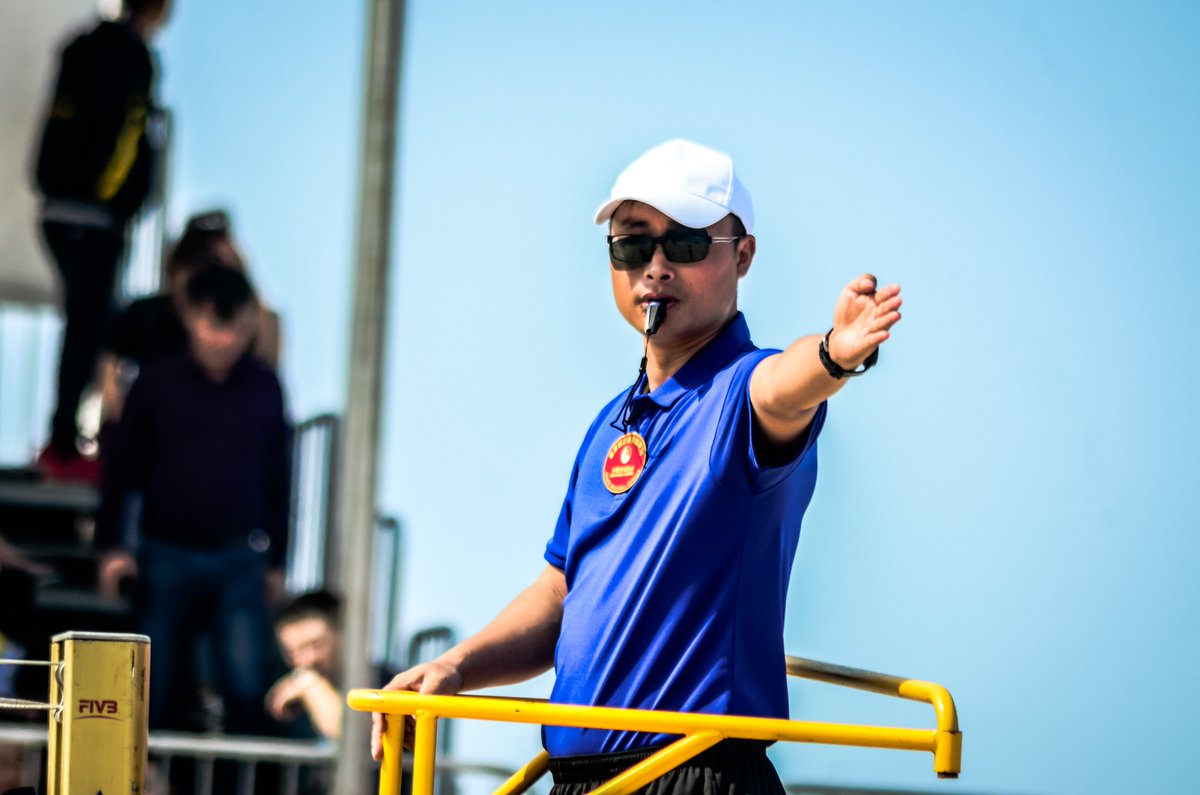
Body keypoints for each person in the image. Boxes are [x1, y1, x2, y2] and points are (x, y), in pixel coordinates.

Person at [371, 139, 903, 794]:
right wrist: (455, 665)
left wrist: (834, 354)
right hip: (578, 778)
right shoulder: (609, 424)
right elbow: (560, 591)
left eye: (682, 243)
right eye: (632, 245)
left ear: (742, 254)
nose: (654, 266)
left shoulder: (742, 391)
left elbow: (785, 386)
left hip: (692, 774)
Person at [93, 265, 292, 735]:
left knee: (245, 682)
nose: (223, 339)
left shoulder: (266, 387)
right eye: (212, 325)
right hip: (165, 551)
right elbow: (119, 473)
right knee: (153, 685)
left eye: (234, 327)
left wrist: (279, 559)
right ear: (189, 317)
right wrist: (111, 548)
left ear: (249, 322)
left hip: (240, 555)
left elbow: (282, 479)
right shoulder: (155, 383)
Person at [32, 0, 170, 482]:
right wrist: (121, 202)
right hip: (93, 217)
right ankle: (65, 447)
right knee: (88, 329)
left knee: (87, 326)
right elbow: (132, 136)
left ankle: (69, 441)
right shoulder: (135, 59)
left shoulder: (82, 46)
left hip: (56, 208)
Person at [266, 590, 346, 740]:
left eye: (316, 645)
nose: (308, 660)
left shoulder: (384, 683)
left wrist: (309, 683)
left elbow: (351, 736)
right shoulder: (290, 696)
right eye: (292, 653)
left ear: (343, 634)